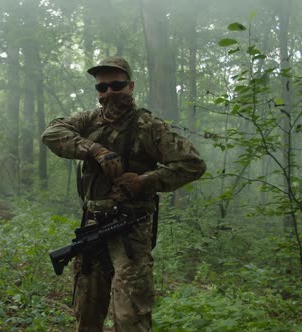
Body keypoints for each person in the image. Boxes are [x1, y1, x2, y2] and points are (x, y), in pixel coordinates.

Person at [41, 56, 206, 332]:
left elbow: (192, 164)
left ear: (130, 86)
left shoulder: (148, 126)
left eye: (116, 86)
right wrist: (95, 150)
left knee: (131, 317)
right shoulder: (88, 120)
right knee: (87, 313)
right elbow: (51, 133)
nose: (108, 94)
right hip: (93, 227)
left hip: (130, 230)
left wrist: (146, 180)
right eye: (101, 88)